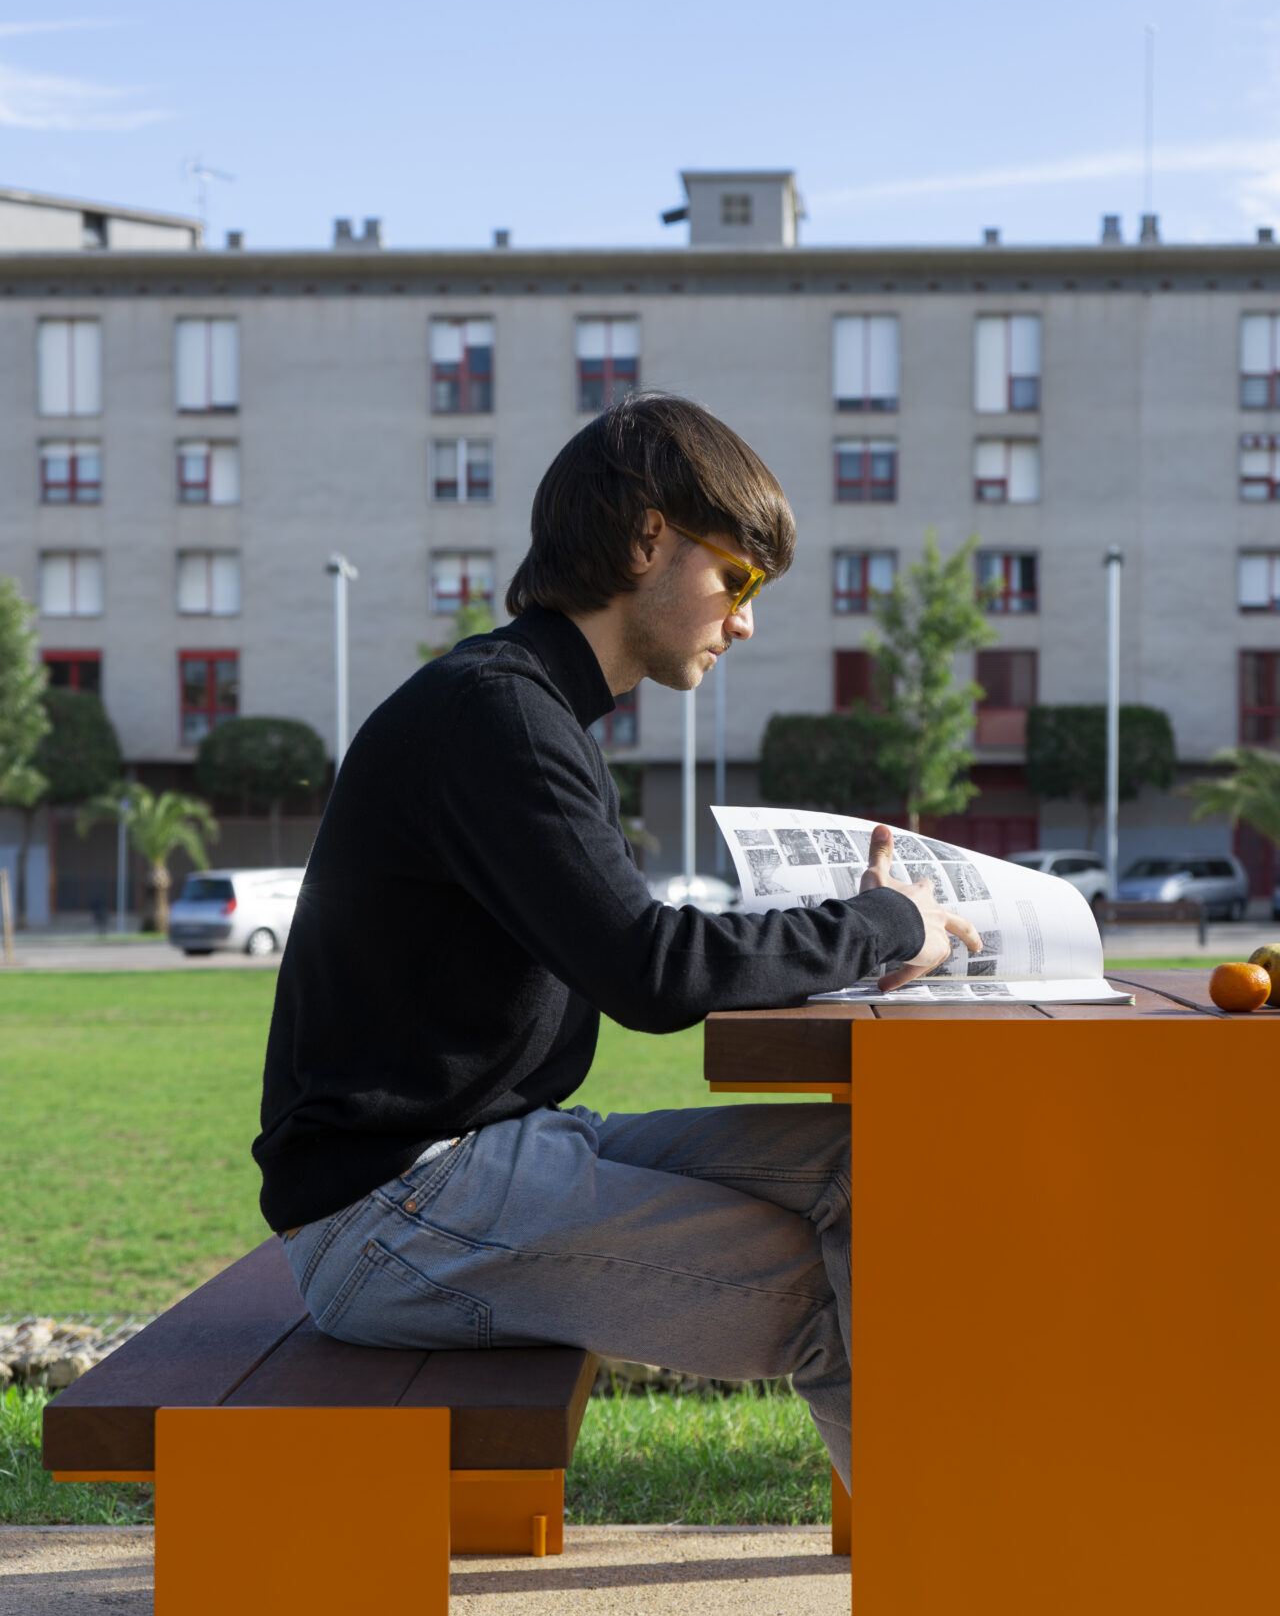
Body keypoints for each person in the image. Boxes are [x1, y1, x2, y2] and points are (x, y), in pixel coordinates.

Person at [254, 392, 980, 1488]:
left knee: (885, 1175)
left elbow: (641, 948)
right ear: (648, 537)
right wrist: (881, 922)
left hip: (492, 1155)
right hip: (391, 1215)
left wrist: (866, 934)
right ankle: (955, 1593)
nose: (743, 620)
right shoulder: (494, 718)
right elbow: (649, 972)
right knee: (875, 1295)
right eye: (736, 579)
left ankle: (954, 1562)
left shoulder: (527, 710)